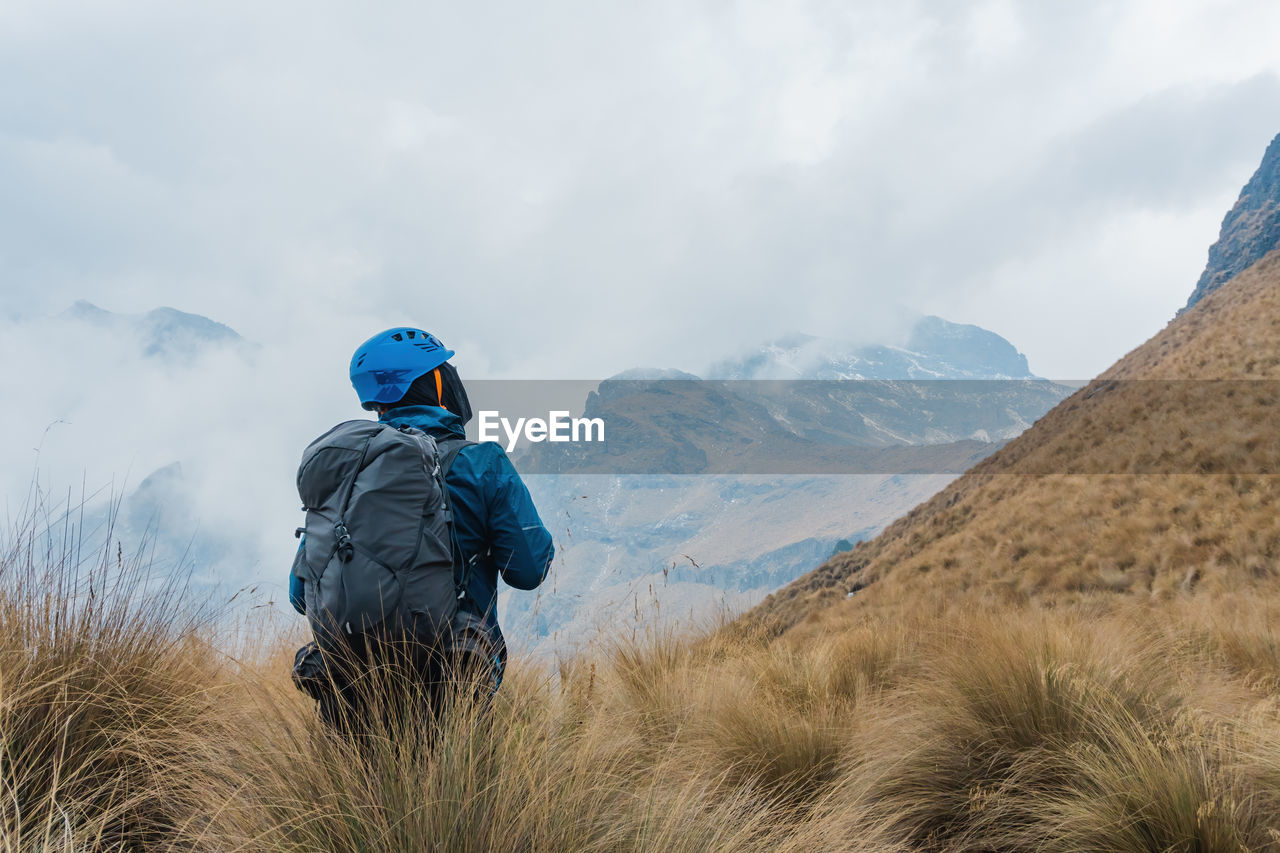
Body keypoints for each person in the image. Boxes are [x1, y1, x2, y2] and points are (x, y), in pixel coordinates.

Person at [288, 327, 553, 739]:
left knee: (347, 802)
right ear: (434, 381)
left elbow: (299, 594)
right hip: (451, 683)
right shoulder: (481, 464)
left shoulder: (348, 476)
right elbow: (529, 570)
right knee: (455, 803)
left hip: (350, 688)